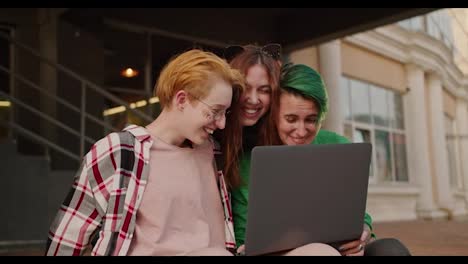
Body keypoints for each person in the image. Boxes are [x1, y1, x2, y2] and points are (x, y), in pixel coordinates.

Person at [45, 49, 244, 256]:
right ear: (182, 100)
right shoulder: (121, 152)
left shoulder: (213, 154)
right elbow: (65, 242)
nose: (222, 123)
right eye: (215, 111)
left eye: (225, 113)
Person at [272, 63, 411, 256]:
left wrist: (362, 232)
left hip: (342, 248)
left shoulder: (337, 144)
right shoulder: (255, 156)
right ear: (274, 116)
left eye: (311, 120)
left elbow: (358, 213)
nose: (301, 131)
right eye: (291, 119)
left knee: (391, 250)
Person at [219, 44, 340, 255]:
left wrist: (364, 227)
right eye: (245, 87)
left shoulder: (273, 141)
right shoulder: (213, 136)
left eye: (264, 90)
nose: (254, 99)